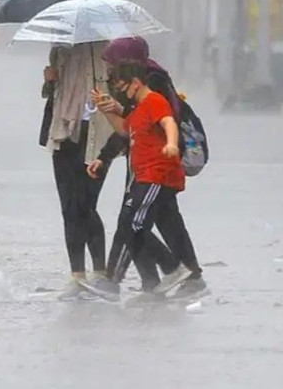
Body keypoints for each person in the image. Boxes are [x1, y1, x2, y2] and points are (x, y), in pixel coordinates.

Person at [80, 37, 207, 302]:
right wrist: (104, 156)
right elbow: (129, 127)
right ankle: (176, 279)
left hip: (156, 165)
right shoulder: (134, 84)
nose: (111, 71)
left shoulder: (152, 84)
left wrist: (122, 110)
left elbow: (153, 121)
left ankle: (117, 279)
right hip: (147, 162)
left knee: (131, 221)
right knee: (165, 221)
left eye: (114, 64)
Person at [41, 42, 113, 300]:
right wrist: (50, 80)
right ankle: (77, 275)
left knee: (86, 205)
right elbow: (52, 93)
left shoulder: (106, 50)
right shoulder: (59, 49)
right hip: (63, 133)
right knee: (69, 207)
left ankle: (100, 273)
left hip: (96, 136)